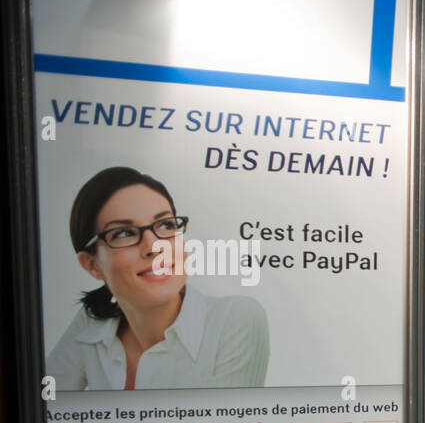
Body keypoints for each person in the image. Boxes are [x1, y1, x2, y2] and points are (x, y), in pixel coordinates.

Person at [47, 166, 269, 391]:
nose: (155, 246)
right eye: (124, 233)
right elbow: (42, 408)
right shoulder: (92, 323)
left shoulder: (235, 318)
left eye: (165, 225)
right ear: (92, 265)